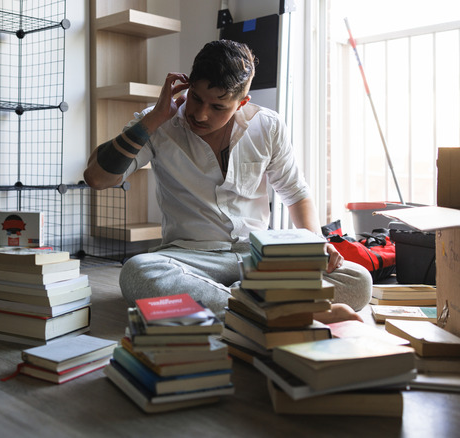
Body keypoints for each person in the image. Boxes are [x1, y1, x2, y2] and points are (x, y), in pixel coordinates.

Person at [84, 40, 371, 323]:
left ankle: (238, 307)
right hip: (190, 258)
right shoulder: (159, 123)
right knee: (139, 273)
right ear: (188, 85)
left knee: (357, 280)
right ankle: (276, 308)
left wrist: (313, 244)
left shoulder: (267, 126)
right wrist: (153, 119)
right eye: (196, 97)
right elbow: (96, 178)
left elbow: (296, 194)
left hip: (259, 255)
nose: (200, 113)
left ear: (241, 102)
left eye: (218, 106)